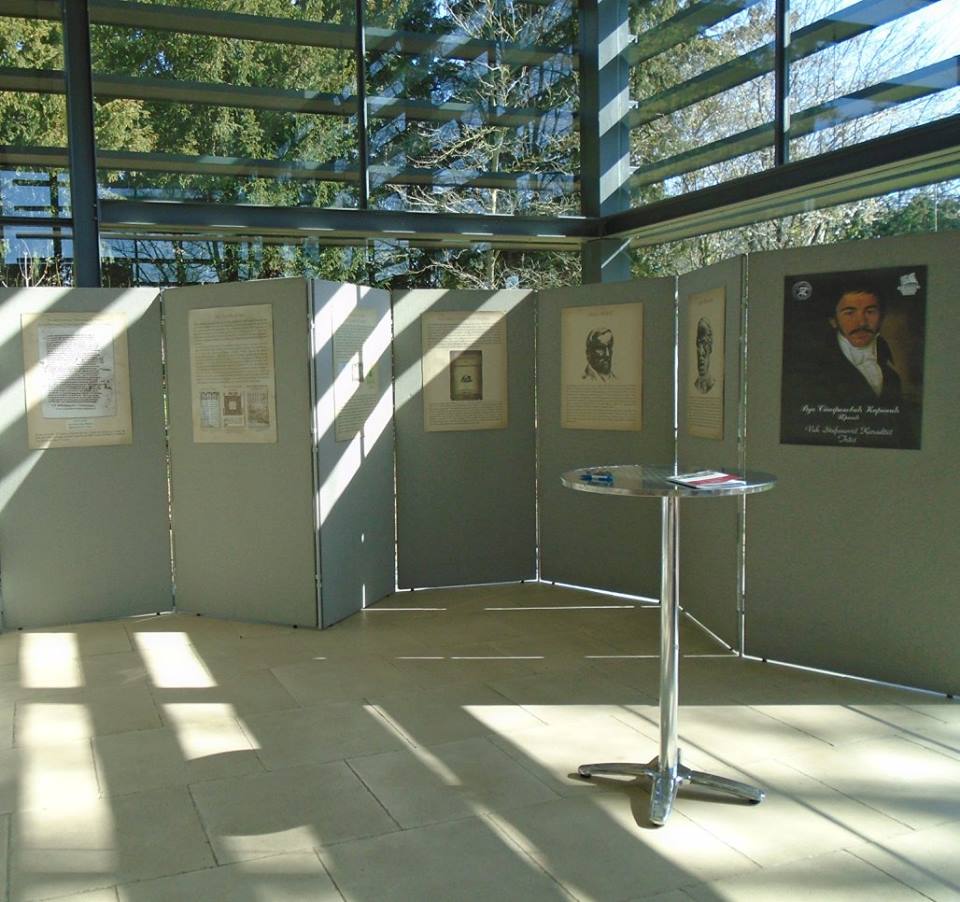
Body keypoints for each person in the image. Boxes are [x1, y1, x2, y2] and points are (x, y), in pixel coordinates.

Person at [693, 317, 715, 393]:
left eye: (705, 344)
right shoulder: (695, 385)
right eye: (699, 345)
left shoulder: (712, 383)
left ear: (710, 348)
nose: (701, 352)